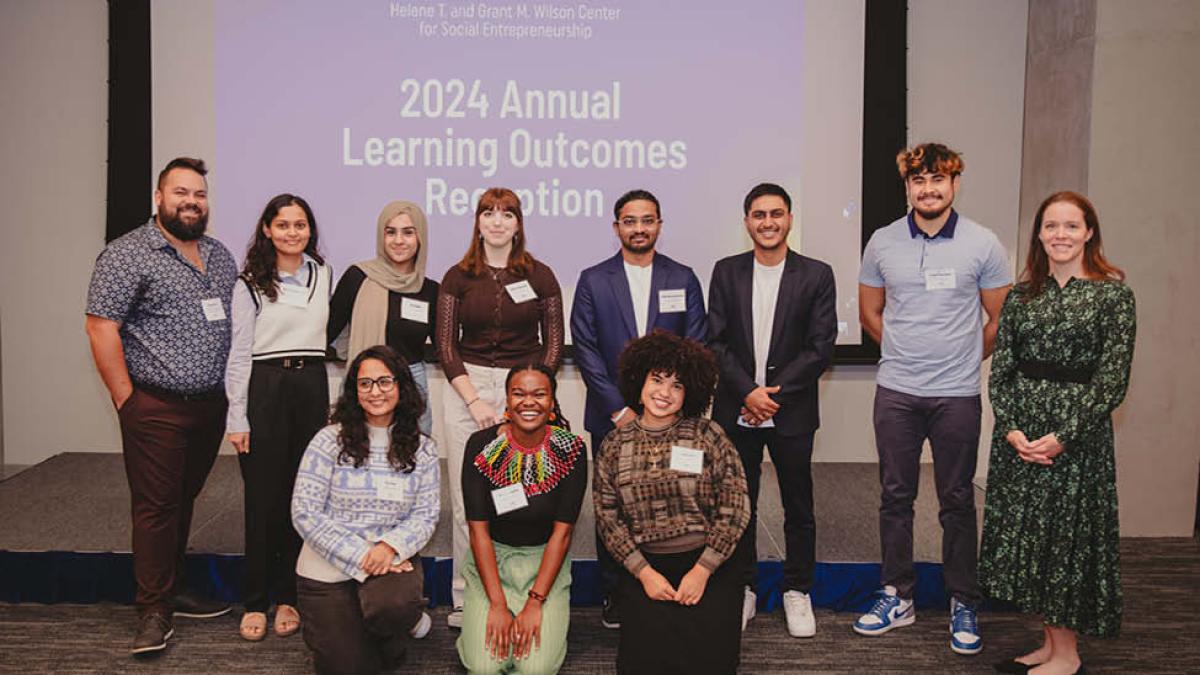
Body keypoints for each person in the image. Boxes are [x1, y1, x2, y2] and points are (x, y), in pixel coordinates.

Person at [854, 142, 1012, 655]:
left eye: (938, 180)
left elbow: (997, 320)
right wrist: (905, 353)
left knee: (958, 500)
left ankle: (963, 600)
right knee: (895, 498)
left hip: (957, 396)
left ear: (954, 183)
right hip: (897, 392)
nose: (928, 189)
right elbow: (869, 316)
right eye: (918, 180)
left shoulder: (983, 243)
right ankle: (896, 594)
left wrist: (961, 360)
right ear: (907, 186)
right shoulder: (881, 242)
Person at [85, 157, 237, 654]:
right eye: (180, 193)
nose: (191, 202)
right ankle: (152, 611)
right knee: (155, 506)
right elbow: (101, 326)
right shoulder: (128, 254)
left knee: (181, 498)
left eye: (199, 194)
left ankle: (172, 587)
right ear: (159, 197)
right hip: (155, 405)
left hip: (208, 406)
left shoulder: (218, 256)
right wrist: (127, 399)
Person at [980, 192, 1135, 675]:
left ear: (1089, 232)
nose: (1060, 235)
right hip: (1021, 440)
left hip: (1077, 442)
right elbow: (1001, 372)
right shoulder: (1023, 296)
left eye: (1071, 226)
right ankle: (1049, 645)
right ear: (1039, 235)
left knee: (1067, 542)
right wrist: (1011, 430)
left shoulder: (1113, 295)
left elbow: (1112, 380)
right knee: (1035, 543)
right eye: (1051, 226)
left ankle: (1067, 655)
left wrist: (1063, 435)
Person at [570, 188, 707, 628]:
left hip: (671, 417)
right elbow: (586, 348)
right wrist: (619, 410)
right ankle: (616, 590)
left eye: (647, 220)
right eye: (630, 221)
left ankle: (665, 579)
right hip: (611, 417)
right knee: (613, 504)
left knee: (666, 498)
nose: (639, 228)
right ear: (617, 228)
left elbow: (697, 344)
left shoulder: (682, 277)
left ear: (659, 226)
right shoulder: (593, 279)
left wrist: (666, 407)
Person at [707, 182, 838, 637]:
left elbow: (820, 347)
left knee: (798, 504)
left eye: (776, 214)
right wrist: (748, 393)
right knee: (738, 503)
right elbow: (716, 341)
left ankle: (797, 590)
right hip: (737, 406)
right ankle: (743, 586)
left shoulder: (817, 274)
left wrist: (772, 395)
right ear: (747, 222)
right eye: (759, 214)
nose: (768, 222)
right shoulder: (726, 272)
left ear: (789, 219)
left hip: (792, 410)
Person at [437, 188, 565, 627]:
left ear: (518, 223)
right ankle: (462, 595)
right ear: (477, 222)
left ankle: (523, 589)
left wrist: (525, 399)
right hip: (464, 387)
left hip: (525, 388)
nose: (497, 221)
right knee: (464, 495)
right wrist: (474, 400)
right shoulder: (457, 277)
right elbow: (445, 346)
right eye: (488, 213)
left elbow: (553, 345)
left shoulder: (542, 275)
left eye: (506, 214)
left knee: (527, 491)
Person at [594, 331, 751, 675]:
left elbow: (735, 505)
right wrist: (644, 573)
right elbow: (607, 518)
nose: (664, 393)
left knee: (709, 665)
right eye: (657, 380)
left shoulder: (708, 435)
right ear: (639, 381)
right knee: (643, 666)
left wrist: (703, 569)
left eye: (677, 385)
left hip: (709, 568)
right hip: (646, 571)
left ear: (689, 392)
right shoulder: (614, 444)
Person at [291, 345, 440, 675]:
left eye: (385, 382)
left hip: (390, 563)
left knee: (393, 608)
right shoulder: (329, 440)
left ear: (401, 387)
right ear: (354, 391)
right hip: (327, 566)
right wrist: (363, 554)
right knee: (348, 667)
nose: (376, 392)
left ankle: (400, 622)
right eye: (365, 383)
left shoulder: (423, 448)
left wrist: (388, 547)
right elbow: (304, 512)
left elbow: (426, 515)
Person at [225, 193, 332, 641]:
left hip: (311, 386)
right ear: (267, 230)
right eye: (284, 225)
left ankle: (288, 596)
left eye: (301, 224)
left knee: (302, 496)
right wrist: (238, 415)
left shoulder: (323, 274)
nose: (293, 232)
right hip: (266, 387)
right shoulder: (248, 282)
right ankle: (255, 601)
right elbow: (240, 352)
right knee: (264, 499)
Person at [457, 364, 587, 674]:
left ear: (552, 402)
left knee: (535, 669)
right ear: (507, 400)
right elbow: (478, 532)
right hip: (491, 564)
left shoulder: (572, 450)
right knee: (485, 667)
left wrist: (534, 603)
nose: (529, 402)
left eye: (539, 394)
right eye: (519, 393)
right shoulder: (480, 446)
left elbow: (562, 536)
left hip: (545, 567)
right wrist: (498, 605)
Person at [327, 200, 438, 435]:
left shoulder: (430, 291)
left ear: (421, 238)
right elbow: (327, 331)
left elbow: (443, 346)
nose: (398, 240)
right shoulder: (358, 277)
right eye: (391, 232)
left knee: (413, 459)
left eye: (408, 232)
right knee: (355, 454)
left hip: (412, 383)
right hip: (364, 382)